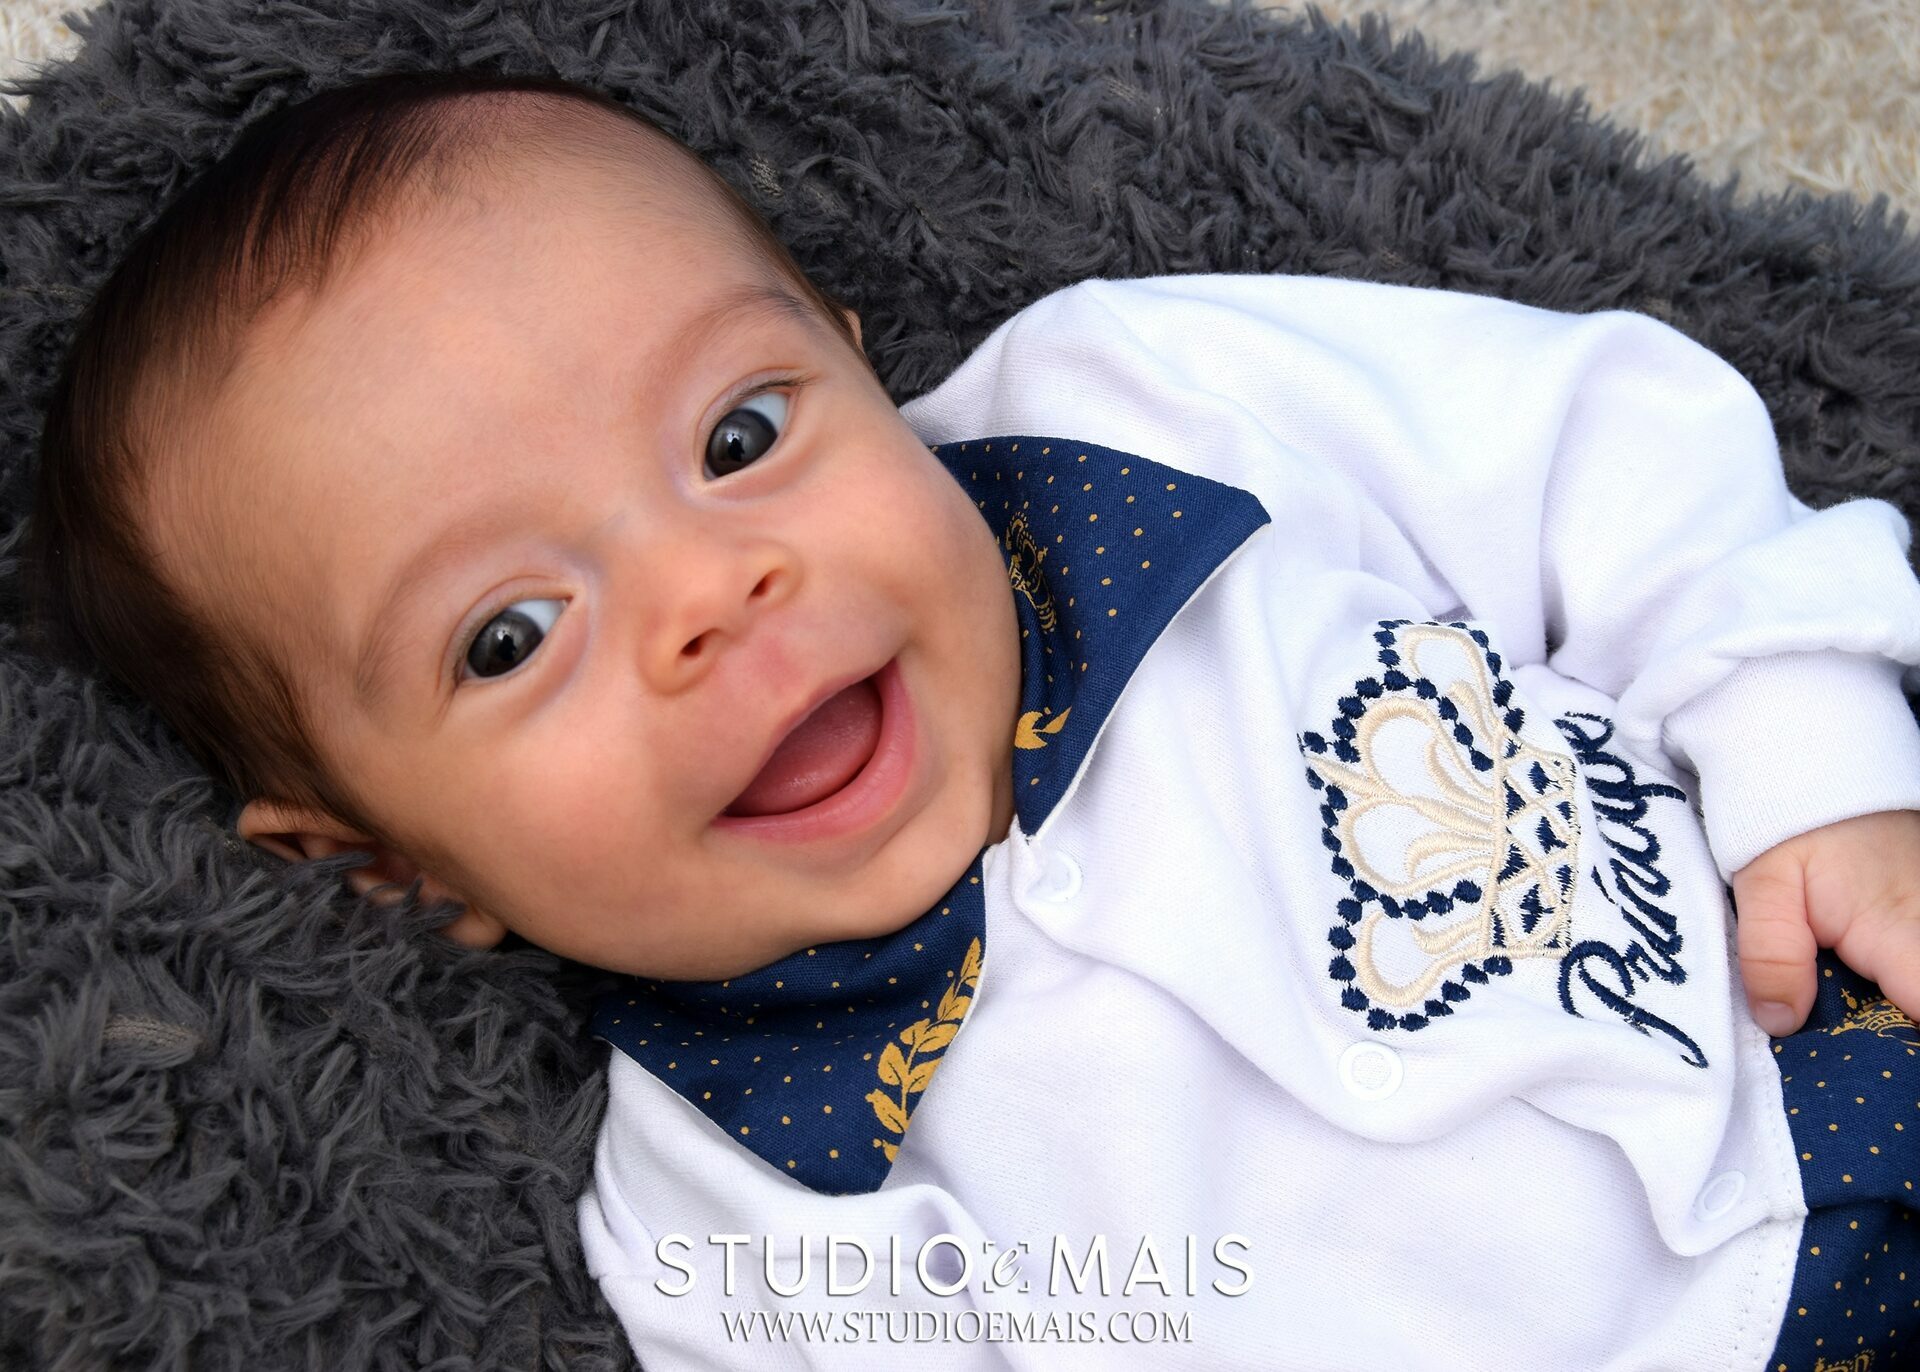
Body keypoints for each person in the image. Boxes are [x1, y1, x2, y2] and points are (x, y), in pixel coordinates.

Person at [23, 68, 1920, 1371]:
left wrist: (1810, 758)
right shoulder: (737, 1205)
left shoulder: (1140, 409)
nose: (707, 596)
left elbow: (1593, 437)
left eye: (738, 438)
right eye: (511, 635)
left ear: (856, 365)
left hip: (1830, 1003)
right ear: (387, 865)